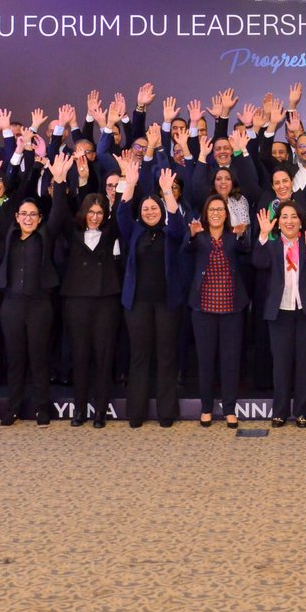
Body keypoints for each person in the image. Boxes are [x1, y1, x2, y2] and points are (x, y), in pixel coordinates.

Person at [0, 151, 66, 426]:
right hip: (11, 304)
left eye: (33, 214)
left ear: (40, 218)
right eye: (23, 214)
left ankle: (42, 408)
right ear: (16, 216)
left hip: (39, 305)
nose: (28, 218)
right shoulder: (9, 233)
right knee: (15, 358)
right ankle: (11, 408)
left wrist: (57, 181)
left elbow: (59, 212)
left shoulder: (46, 234)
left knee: (39, 358)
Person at [116, 162, 189, 428]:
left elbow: (180, 227)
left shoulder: (171, 232)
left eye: (154, 207)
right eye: (146, 208)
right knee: (139, 355)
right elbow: (122, 215)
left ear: (161, 210)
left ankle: (166, 413)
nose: (149, 211)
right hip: (137, 304)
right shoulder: (134, 231)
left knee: (166, 355)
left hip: (167, 303)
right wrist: (130, 184)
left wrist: (168, 193)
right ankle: (136, 412)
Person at [55, 168, 121, 428]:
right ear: (84, 212)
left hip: (106, 301)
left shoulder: (111, 233)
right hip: (77, 301)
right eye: (91, 212)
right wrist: (61, 181)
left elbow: (121, 216)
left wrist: (126, 187)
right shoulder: (72, 233)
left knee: (104, 356)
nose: (95, 217)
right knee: (79, 355)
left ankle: (100, 411)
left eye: (99, 213)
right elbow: (59, 212)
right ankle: (79, 409)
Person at [253, 201, 306, 427]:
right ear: (278, 222)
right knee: (281, 364)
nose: (289, 221)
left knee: (305, 363)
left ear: (301, 221)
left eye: (293, 216)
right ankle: (280, 411)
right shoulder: (272, 246)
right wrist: (263, 236)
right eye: (284, 217)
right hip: (280, 312)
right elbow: (258, 262)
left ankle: (303, 412)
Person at [185, 192, 252, 427]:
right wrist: (192, 235)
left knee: (230, 360)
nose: (216, 213)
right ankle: (206, 408)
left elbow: (247, 250)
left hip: (231, 307)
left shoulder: (233, 236)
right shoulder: (198, 235)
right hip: (203, 307)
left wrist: (242, 235)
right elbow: (186, 248)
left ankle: (230, 408)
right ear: (206, 213)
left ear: (226, 214)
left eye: (220, 210)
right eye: (212, 210)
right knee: (205, 359)